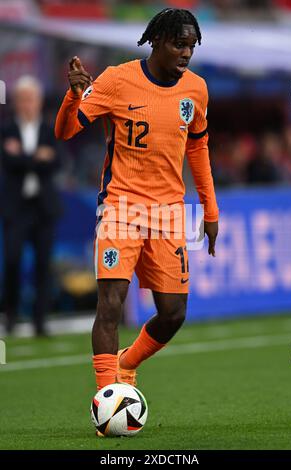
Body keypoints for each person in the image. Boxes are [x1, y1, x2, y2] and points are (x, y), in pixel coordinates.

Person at [55, 8, 219, 405]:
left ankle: (126, 365)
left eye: (192, 46)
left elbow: (198, 148)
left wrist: (210, 212)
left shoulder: (195, 90)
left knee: (173, 314)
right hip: (120, 207)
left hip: (168, 213)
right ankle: (106, 400)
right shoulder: (116, 80)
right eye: (179, 44)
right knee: (110, 304)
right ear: (157, 41)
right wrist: (74, 95)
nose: (186, 53)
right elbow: (66, 130)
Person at [0, 76, 61, 336]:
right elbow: (7, 163)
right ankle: (11, 315)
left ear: (38, 102)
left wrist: (22, 158)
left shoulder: (50, 130)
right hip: (16, 208)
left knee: (43, 264)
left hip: (43, 207)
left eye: (32, 99)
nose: (28, 104)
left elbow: (55, 164)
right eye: (23, 99)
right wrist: (35, 159)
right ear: (15, 102)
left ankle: (40, 320)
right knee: (12, 260)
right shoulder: (5, 130)